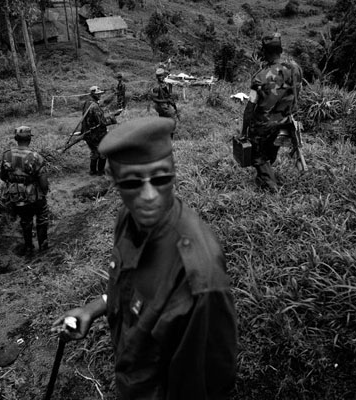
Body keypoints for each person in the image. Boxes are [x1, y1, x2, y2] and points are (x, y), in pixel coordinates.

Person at [52, 117, 238, 399]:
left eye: (161, 178)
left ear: (174, 172)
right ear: (114, 181)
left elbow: (207, 382)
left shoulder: (198, 275)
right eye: (132, 183)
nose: (149, 196)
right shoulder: (129, 217)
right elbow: (130, 283)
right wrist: (92, 309)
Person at [240, 32, 303, 192]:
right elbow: (297, 92)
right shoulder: (296, 68)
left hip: (264, 125)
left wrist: (244, 131)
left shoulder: (260, 77)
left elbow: (249, 109)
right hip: (286, 120)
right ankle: (263, 175)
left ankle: (271, 188)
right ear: (281, 50)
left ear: (264, 53)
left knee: (258, 156)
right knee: (271, 149)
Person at [0, 126, 50, 255]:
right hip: (34, 197)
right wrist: (44, 192)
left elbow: (3, 176)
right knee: (42, 218)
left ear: (16, 139)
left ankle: (28, 247)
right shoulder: (36, 157)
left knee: (25, 220)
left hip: (16, 196)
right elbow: (43, 183)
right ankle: (43, 247)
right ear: (29, 139)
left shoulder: (7, 154)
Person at [82, 86, 118, 176]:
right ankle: (100, 172)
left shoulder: (87, 103)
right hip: (97, 134)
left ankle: (92, 171)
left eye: (100, 94)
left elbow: (92, 119)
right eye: (98, 94)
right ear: (93, 94)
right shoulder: (94, 106)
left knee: (94, 152)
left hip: (88, 133)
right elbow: (102, 122)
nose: (100, 96)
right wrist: (113, 118)